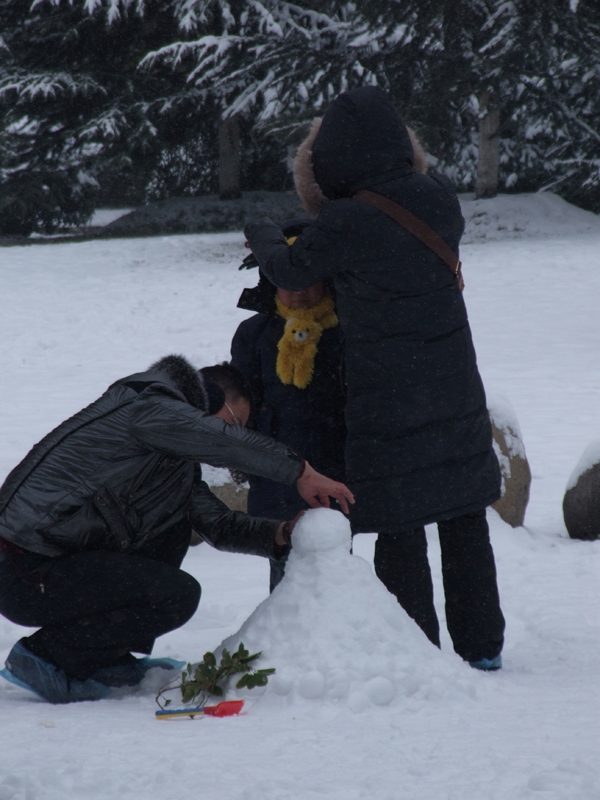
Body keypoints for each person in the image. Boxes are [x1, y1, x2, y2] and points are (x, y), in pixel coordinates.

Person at [243, 86, 505, 670]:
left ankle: (417, 652)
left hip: (388, 400)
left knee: (399, 526)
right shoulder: (440, 198)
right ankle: (483, 648)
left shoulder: (347, 220)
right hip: (454, 389)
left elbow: (291, 267)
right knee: (465, 518)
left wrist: (262, 232)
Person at [0, 354, 354, 703]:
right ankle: (46, 656)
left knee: (169, 535)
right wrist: (301, 472)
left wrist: (281, 533)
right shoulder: (146, 406)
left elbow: (217, 524)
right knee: (173, 594)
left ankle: (101, 657)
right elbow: (218, 440)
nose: (233, 432)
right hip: (21, 564)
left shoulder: (172, 464)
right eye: (234, 422)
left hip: (50, 567)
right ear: (210, 399)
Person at [231, 219, 347, 591]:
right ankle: (288, 621)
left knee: (334, 555)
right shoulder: (254, 334)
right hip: (276, 469)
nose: (297, 292)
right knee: (285, 561)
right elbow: (244, 402)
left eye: (308, 280)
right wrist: (246, 456)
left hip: (336, 467)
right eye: (287, 282)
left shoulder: (347, 330)